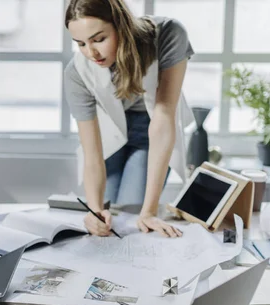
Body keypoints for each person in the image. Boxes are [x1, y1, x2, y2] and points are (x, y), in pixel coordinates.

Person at [65, 0, 195, 238]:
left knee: (134, 218)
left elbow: (163, 116)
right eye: (81, 44)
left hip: (151, 126)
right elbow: (92, 152)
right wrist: (94, 211)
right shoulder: (76, 73)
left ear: (120, 26)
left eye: (99, 39)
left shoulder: (168, 34)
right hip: (109, 135)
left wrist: (149, 212)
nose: (91, 53)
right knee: (110, 218)